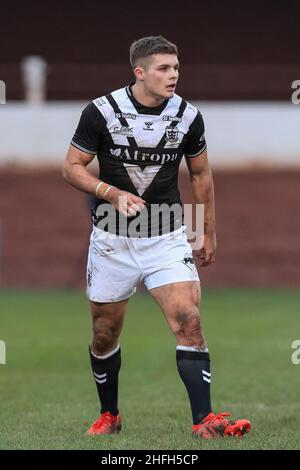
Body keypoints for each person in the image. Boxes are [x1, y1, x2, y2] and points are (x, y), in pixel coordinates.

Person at [62, 35, 251, 439]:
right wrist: (110, 193)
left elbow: (200, 174)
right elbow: (72, 167)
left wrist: (205, 231)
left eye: (176, 68)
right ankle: (109, 414)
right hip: (112, 241)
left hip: (167, 237)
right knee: (103, 333)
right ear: (140, 72)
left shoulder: (187, 116)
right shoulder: (101, 112)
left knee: (189, 319)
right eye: (164, 68)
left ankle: (204, 420)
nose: (173, 75)